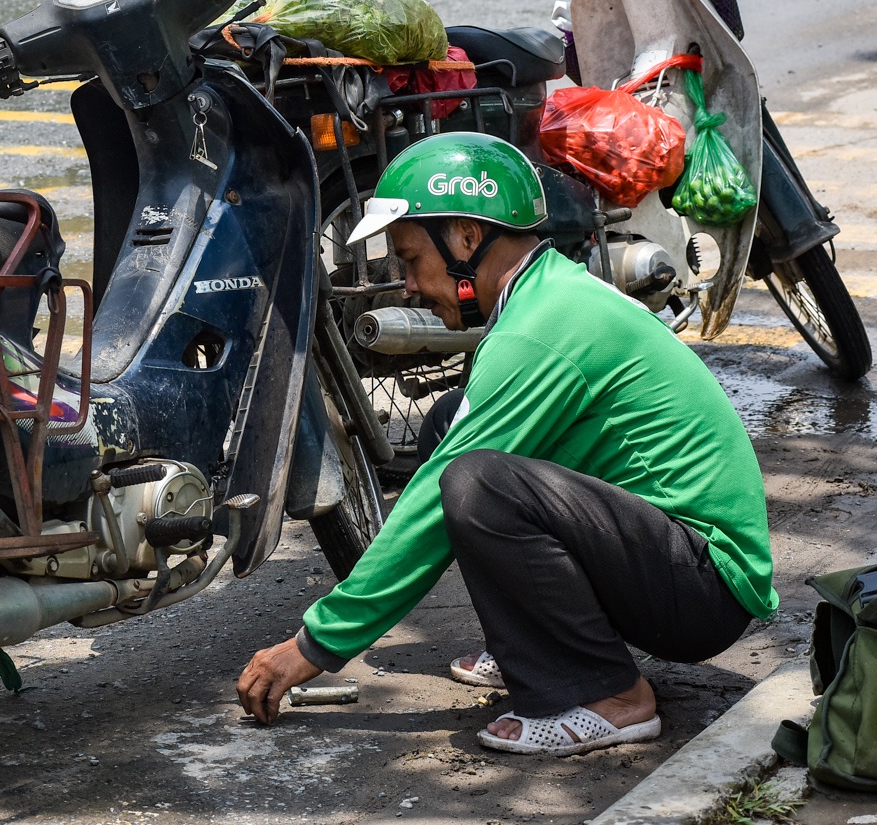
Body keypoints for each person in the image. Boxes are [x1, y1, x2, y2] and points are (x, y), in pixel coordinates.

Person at [236, 133, 774, 754]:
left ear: (467, 238)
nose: (407, 285)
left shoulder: (537, 332)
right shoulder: (546, 291)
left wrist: (314, 644)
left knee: (474, 483)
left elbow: (432, 507)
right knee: (449, 427)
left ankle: (613, 697)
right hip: (672, 560)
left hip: (705, 587)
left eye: (410, 259)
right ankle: (543, 650)